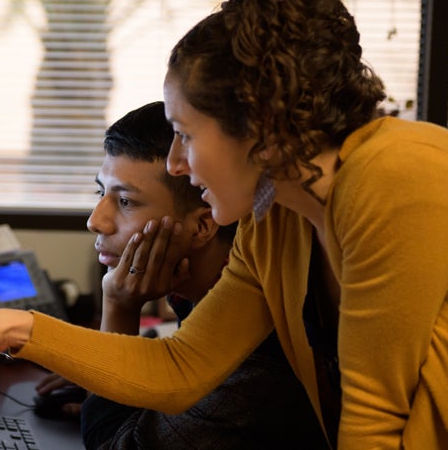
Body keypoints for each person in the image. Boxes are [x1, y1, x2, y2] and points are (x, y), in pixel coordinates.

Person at [0, 0, 448, 450]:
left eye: (185, 134)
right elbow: (180, 369)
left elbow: (374, 422)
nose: (176, 162)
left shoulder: (397, 173)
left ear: (258, 124)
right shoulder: (275, 219)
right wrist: (16, 325)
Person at [44, 101, 326, 448]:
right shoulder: (201, 297)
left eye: (126, 202)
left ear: (203, 225)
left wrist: (119, 309)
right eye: (101, 192)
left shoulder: (253, 360)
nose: (95, 221)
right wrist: (99, 369)